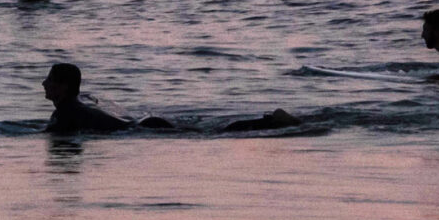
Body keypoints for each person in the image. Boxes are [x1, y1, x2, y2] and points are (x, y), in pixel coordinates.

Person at [41, 62, 298, 135]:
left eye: (49, 79)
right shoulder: (75, 106)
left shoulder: (64, 112)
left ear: (62, 86)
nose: (44, 83)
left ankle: (271, 122)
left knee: (214, 133)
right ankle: (269, 121)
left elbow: (50, 132)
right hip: (146, 124)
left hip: (145, 127)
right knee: (210, 131)